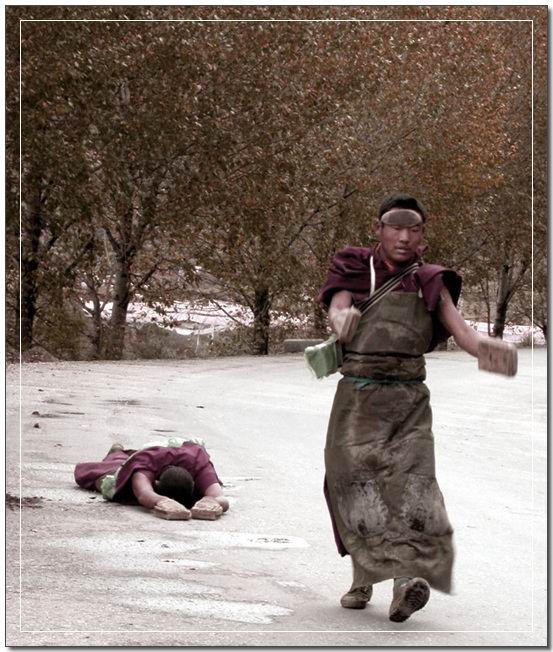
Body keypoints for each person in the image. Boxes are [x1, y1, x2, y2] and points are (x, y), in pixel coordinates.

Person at [318, 192, 516, 622]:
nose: (404, 237)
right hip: (357, 398)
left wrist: (497, 354)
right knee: (355, 486)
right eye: (396, 227)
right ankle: (362, 576)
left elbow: (465, 335)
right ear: (378, 229)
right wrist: (341, 320)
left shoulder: (430, 280)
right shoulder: (355, 267)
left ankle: (405, 583)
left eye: (414, 229)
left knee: (411, 487)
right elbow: (338, 307)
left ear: (423, 236)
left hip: (409, 400)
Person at [74, 437, 229, 520]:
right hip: (148, 453)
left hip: (182, 451)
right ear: (156, 483)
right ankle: (116, 453)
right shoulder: (144, 466)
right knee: (109, 479)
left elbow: (219, 498)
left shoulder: (199, 464)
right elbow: (144, 494)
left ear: (195, 483)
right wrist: (163, 502)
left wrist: (210, 503)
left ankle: (119, 454)